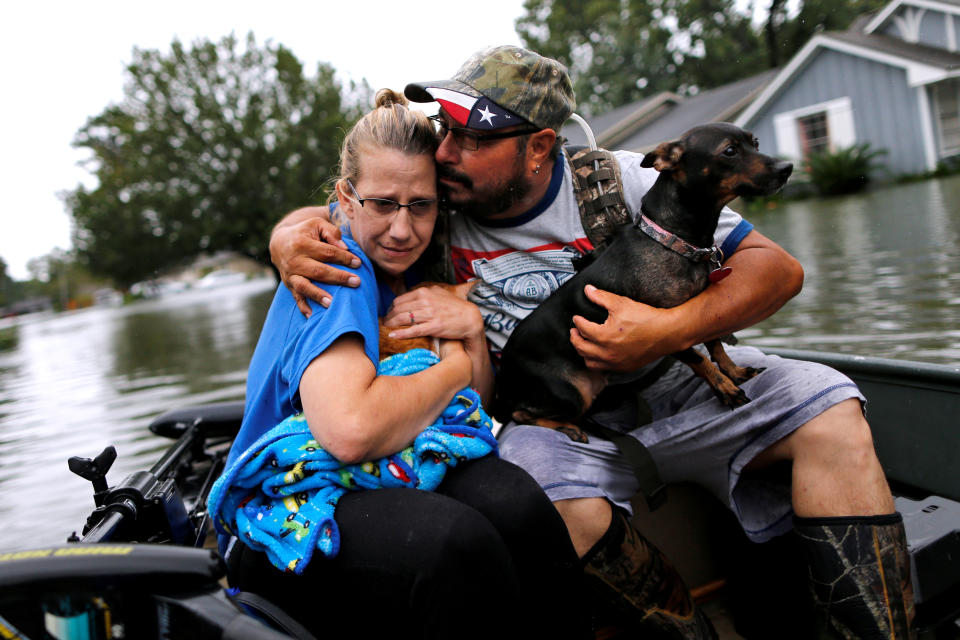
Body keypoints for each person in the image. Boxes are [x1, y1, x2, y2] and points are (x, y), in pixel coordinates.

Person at [269, 49, 914, 638]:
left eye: (474, 137)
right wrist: (287, 240)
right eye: (446, 127)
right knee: (529, 489)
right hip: (556, 417)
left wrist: (665, 332)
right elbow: (343, 208)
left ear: (539, 146)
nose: (446, 152)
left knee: (831, 408)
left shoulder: (627, 182)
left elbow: (778, 270)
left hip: (687, 385)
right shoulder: (430, 205)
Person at [220, 88, 589, 640]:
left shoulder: (421, 264)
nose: (401, 227)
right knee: (454, 543)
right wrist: (456, 369)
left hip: (386, 465)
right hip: (285, 511)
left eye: (420, 205)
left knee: (519, 507)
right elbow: (348, 431)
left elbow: (478, 406)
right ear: (346, 199)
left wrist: (469, 332)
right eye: (383, 204)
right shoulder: (336, 268)